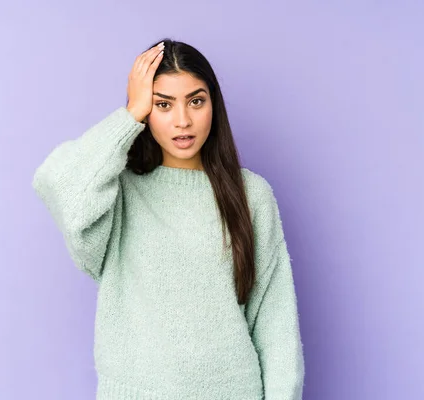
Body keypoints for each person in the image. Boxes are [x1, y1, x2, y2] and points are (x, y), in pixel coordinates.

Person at [31, 38, 305, 400]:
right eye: (163, 104)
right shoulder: (117, 191)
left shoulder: (251, 195)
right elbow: (57, 185)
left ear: (213, 105)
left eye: (196, 101)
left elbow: (275, 321)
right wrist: (128, 116)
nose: (183, 120)